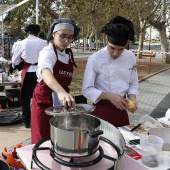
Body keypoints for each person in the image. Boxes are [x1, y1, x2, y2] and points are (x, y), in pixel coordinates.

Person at [82, 16, 138, 127]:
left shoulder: (130, 57)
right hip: (102, 110)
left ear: (126, 43)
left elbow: (133, 82)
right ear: (106, 39)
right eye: (112, 48)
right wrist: (109, 96)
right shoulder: (95, 58)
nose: (116, 53)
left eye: (120, 49)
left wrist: (132, 98)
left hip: (122, 110)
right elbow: (86, 89)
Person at [31, 18, 80, 144]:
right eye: (62, 36)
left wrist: (63, 94)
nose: (66, 41)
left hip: (61, 102)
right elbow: (45, 71)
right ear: (53, 34)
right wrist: (60, 91)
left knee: (60, 137)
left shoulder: (67, 53)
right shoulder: (47, 52)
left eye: (70, 37)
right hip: (44, 100)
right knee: (42, 138)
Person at [12, 24, 47, 128]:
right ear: (38, 32)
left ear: (27, 32)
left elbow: (15, 60)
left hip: (28, 73)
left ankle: (26, 121)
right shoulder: (43, 43)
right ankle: (41, 120)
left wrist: (24, 60)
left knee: (26, 99)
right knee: (42, 97)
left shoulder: (21, 43)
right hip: (41, 72)